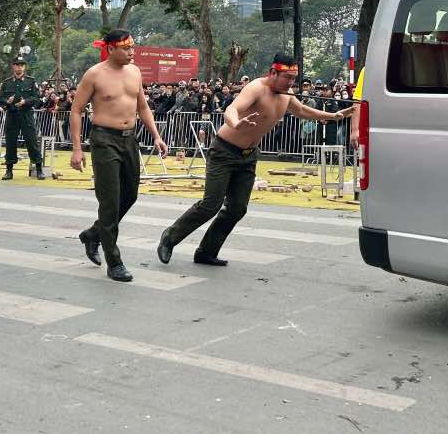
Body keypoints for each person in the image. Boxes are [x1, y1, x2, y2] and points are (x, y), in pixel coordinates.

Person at [157, 53, 353, 268]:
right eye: (286, 78)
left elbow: (301, 110)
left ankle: (206, 251)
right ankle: (170, 237)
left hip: (248, 157)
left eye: (293, 79)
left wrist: (333, 116)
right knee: (210, 205)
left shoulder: (286, 93)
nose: (291, 83)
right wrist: (236, 123)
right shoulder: (256, 88)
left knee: (237, 208)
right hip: (224, 151)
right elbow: (232, 109)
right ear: (272, 73)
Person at [71, 29, 169, 283]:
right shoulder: (94, 74)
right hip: (104, 140)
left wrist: (156, 136)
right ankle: (114, 261)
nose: (131, 52)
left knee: (130, 194)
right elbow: (76, 109)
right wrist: (77, 148)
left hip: (129, 139)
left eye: (133, 47)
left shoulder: (135, 72)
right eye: (126, 48)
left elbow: (143, 107)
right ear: (111, 49)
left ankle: (94, 233)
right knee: (110, 200)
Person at [0, 56, 45, 180]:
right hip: (12, 115)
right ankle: (9, 170)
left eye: (21, 65)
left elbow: (36, 98)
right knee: (10, 142)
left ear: (24, 67)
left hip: (26, 114)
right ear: (13, 66)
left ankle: (39, 168)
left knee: (32, 141)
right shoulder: (7, 82)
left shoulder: (31, 81)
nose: (19, 67)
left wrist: (26, 102)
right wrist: (7, 101)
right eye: (17, 64)